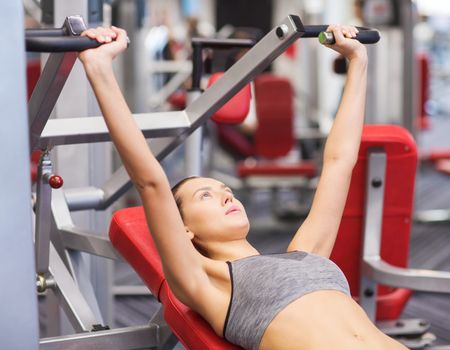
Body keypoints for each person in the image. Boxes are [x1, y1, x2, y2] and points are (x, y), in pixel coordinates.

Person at [79, 24, 408, 350]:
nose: (225, 195)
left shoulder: (310, 254)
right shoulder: (208, 281)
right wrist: (99, 68)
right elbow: (150, 182)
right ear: (184, 230)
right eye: (205, 195)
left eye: (226, 190)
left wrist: (358, 61)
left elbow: (339, 162)